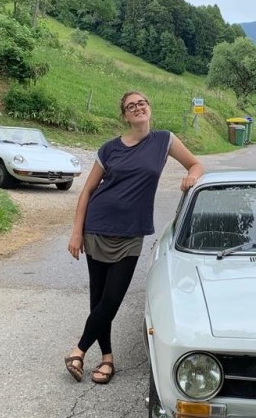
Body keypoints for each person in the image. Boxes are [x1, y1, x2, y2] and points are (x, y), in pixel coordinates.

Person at [64, 91, 204, 384]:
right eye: (131, 106)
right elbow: (88, 190)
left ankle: (78, 351)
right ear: (125, 116)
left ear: (149, 109)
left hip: (131, 232)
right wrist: (76, 232)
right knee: (98, 299)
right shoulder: (110, 149)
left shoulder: (164, 140)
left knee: (112, 299)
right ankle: (106, 359)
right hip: (97, 227)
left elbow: (196, 164)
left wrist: (192, 176)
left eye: (142, 103)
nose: (138, 108)